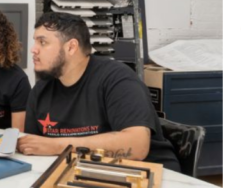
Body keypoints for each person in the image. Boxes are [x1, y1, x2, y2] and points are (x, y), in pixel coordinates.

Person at [14, 12, 181, 172]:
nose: (33, 50)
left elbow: (137, 146)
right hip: (87, 173)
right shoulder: (41, 90)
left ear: (71, 47)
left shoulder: (117, 79)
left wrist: (56, 146)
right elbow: (34, 148)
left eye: (43, 42)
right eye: (35, 42)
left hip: (151, 175)